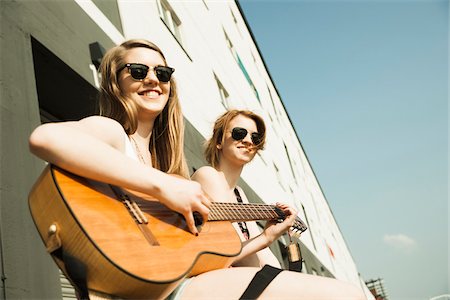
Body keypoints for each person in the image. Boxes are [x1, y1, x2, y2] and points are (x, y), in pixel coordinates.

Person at [29, 39, 364, 299]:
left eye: (162, 73)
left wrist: (266, 236)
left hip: (179, 286)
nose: (153, 79)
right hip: (155, 292)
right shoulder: (115, 134)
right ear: (116, 83)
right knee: (346, 295)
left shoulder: (165, 167)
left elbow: (206, 259)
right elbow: (46, 137)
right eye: (137, 70)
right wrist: (164, 186)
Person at [184, 109, 367, 299]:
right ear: (219, 141)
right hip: (214, 284)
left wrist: (287, 278)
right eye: (239, 133)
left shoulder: (240, 195)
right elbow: (236, 254)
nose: (248, 141)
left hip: (240, 282)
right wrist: (268, 237)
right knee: (349, 295)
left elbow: (263, 258)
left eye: (255, 138)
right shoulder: (209, 176)